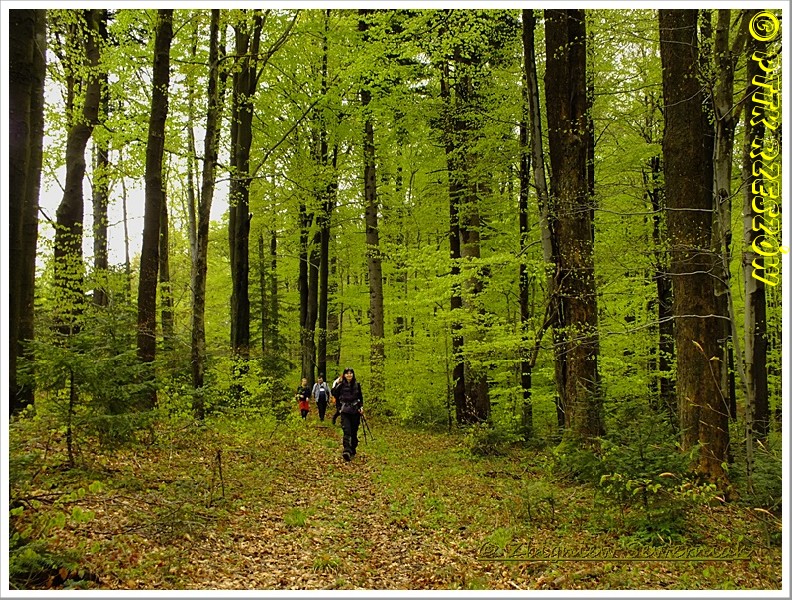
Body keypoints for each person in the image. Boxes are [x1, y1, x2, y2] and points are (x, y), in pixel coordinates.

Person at [331, 368, 363, 461]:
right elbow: (334, 393)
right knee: (347, 431)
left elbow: (360, 397)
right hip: (345, 411)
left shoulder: (357, 385)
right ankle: (347, 450)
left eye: (351, 373)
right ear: (344, 375)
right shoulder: (341, 385)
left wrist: (361, 407)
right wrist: (336, 383)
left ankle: (353, 448)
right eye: (347, 373)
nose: (349, 375)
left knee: (354, 432)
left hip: (355, 411)